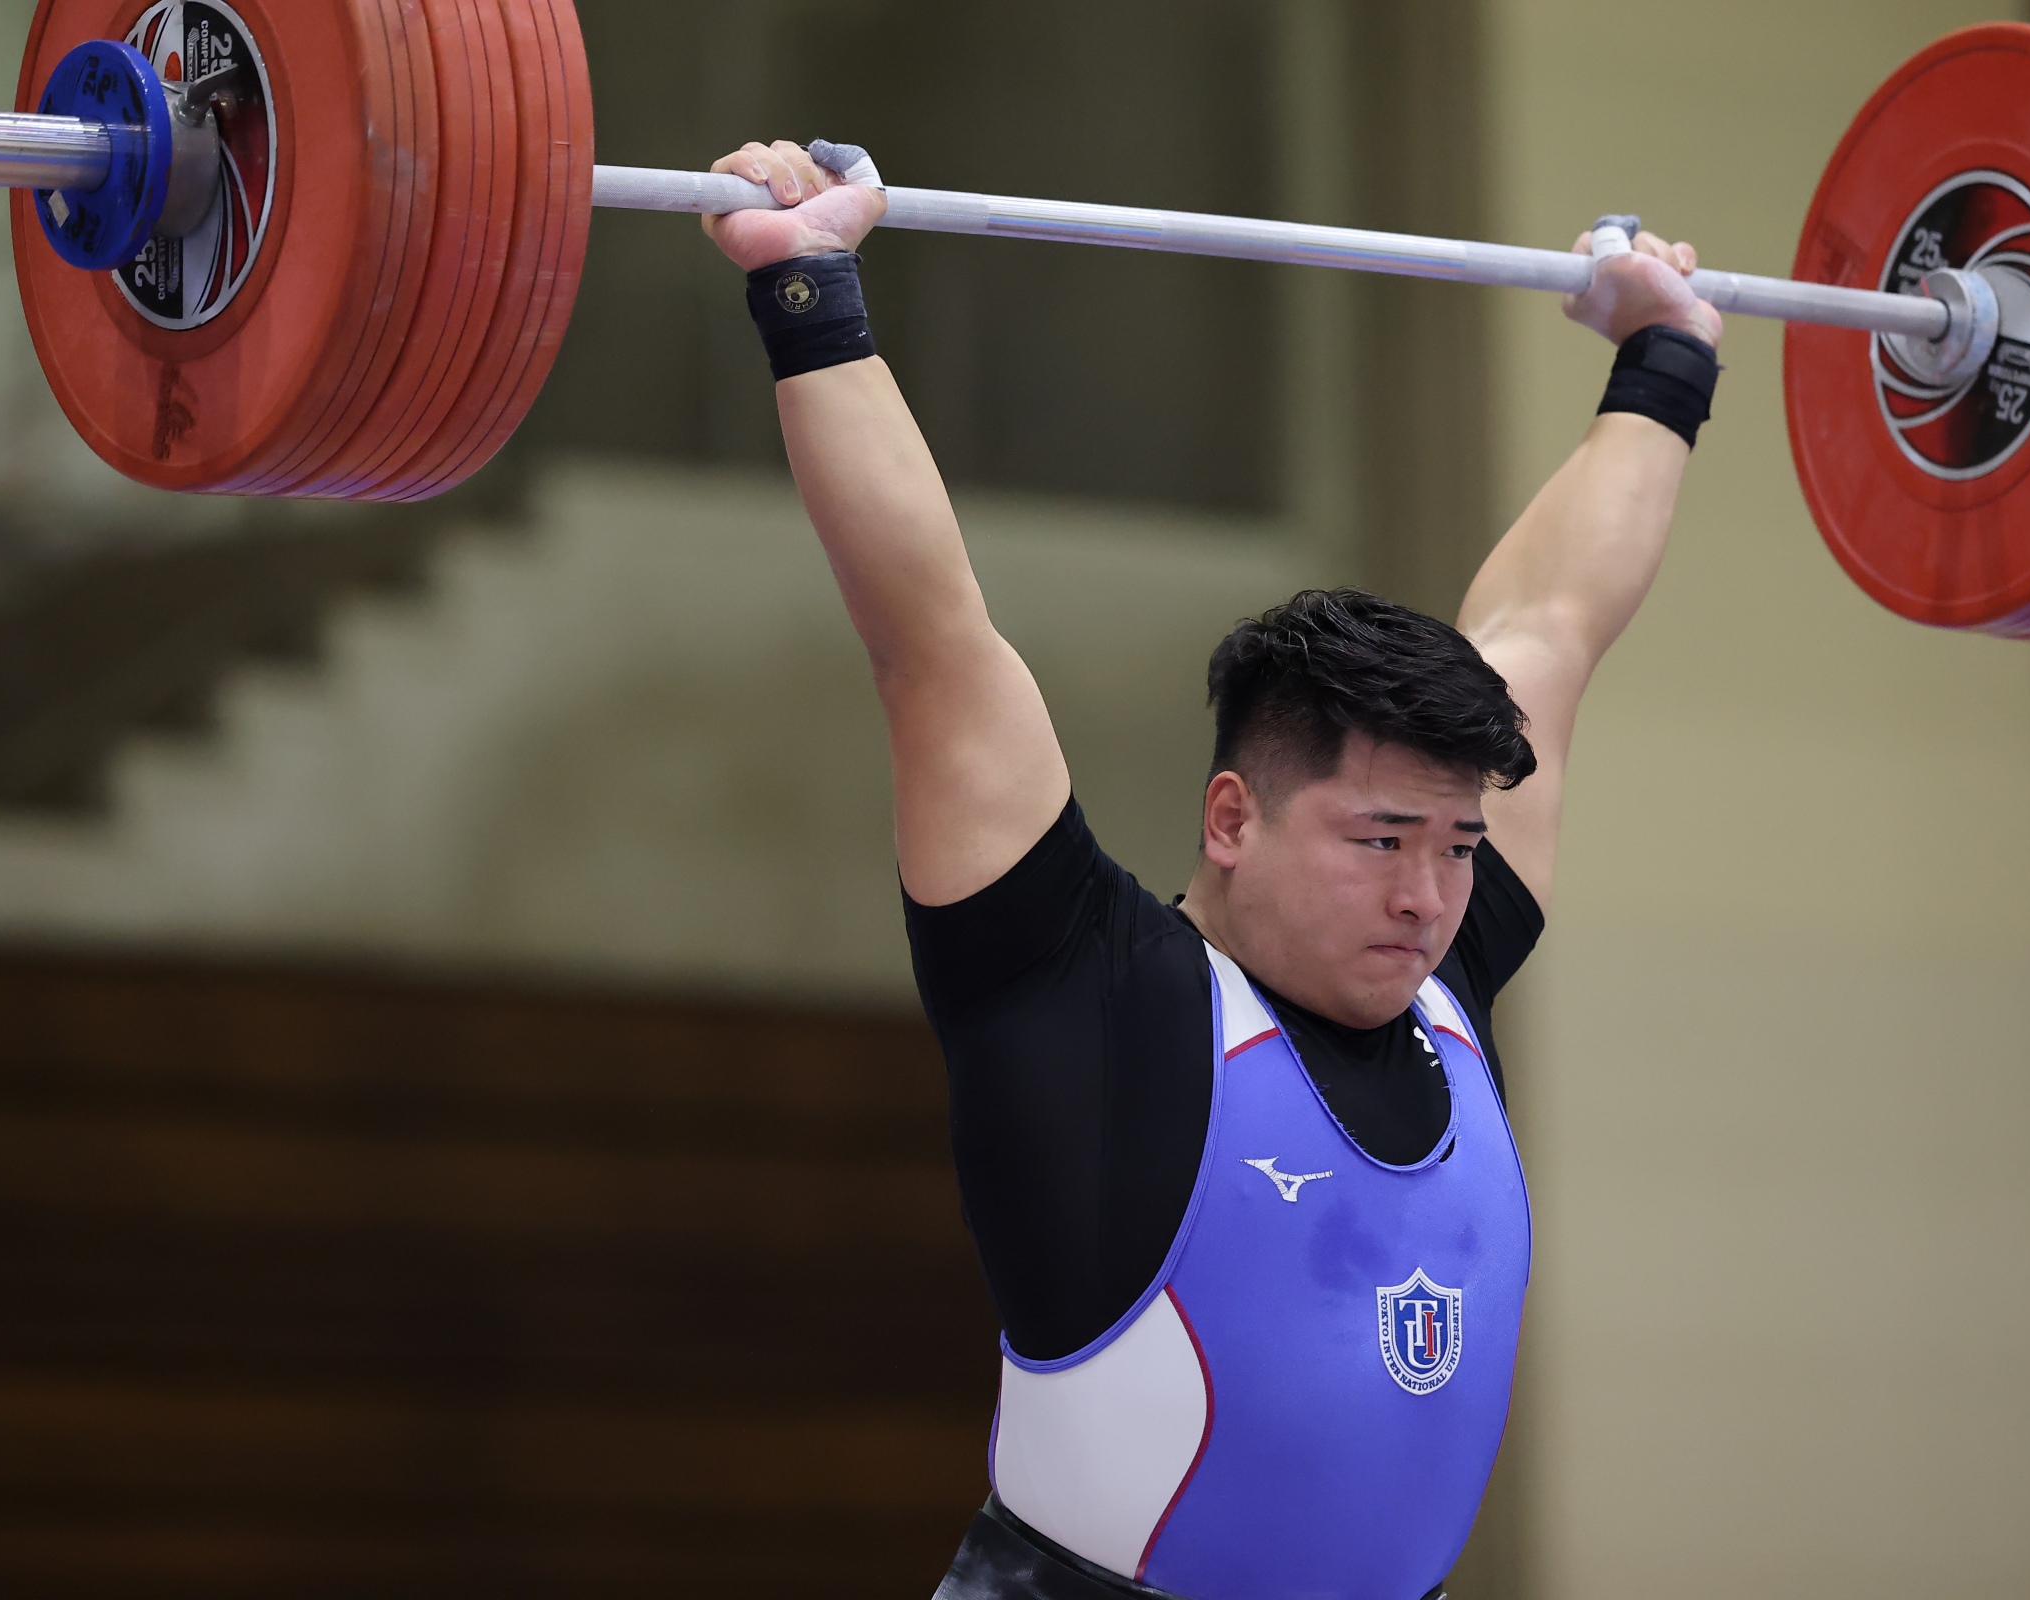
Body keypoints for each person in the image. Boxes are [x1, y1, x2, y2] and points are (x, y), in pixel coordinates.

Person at [703, 139, 1723, 1600]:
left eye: (1457, 847)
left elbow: (1553, 623)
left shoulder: (1447, 967)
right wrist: (810, 291)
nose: (1430, 897)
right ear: (1233, 818)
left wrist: (1666, 364)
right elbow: (928, 635)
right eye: (1381, 841)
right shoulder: (1085, 993)